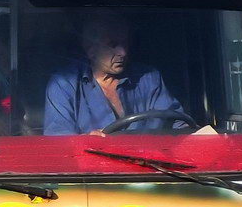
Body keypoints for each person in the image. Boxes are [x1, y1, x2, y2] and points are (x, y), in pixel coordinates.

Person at [43, 12, 209, 135]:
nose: (123, 52)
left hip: (150, 171)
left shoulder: (149, 78)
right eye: (112, 44)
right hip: (90, 176)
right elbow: (58, 141)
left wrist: (197, 136)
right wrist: (84, 141)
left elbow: (177, 123)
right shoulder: (64, 83)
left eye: (125, 43)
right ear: (91, 50)